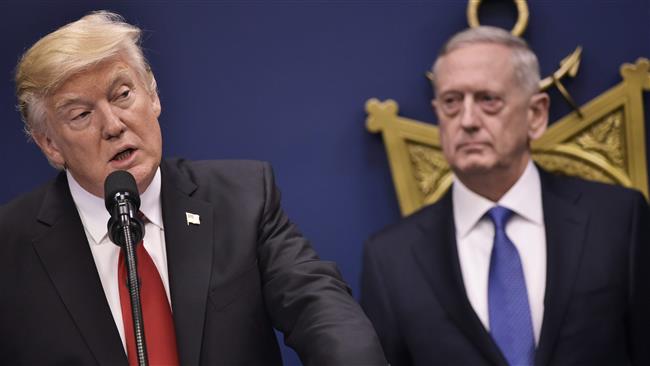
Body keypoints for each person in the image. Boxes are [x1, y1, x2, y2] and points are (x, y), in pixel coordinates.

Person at [0, 11, 386, 366]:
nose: (114, 125)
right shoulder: (9, 247)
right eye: (82, 114)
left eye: (122, 95)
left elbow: (319, 308)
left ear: (152, 95)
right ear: (49, 143)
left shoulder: (242, 199)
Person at [361, 26, 650, 366]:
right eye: (452, 102)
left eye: (488, 100)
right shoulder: (391, 258)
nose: (467, 120)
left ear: (536, 114)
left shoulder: (618, 220)